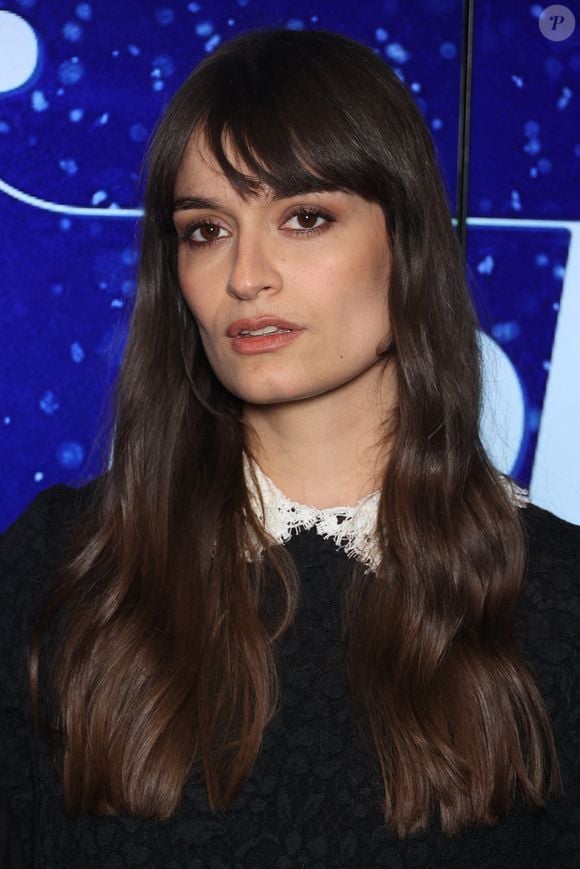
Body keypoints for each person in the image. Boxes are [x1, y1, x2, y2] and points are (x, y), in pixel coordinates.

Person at [1, 25, 579, 868]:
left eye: (305, 217)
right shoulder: (64, 564)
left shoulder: (557, 600)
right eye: (206, 229)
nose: (246, 274)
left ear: (407, 243)